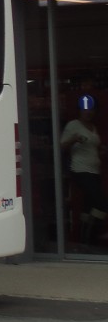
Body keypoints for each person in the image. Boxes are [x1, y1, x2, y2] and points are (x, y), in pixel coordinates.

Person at [60, 94, 108, 243]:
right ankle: (95, 233)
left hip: (94, 170)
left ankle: (84, 238)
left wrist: (102, 151)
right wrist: (74, 139)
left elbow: (93, 148)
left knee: (89, 205)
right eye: (86, 109)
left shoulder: (93, 128)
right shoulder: (73, 125)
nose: (89, 112)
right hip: (81, 170)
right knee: (101, 203)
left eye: (92, 110)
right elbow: (62, 145)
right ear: (80, 111)